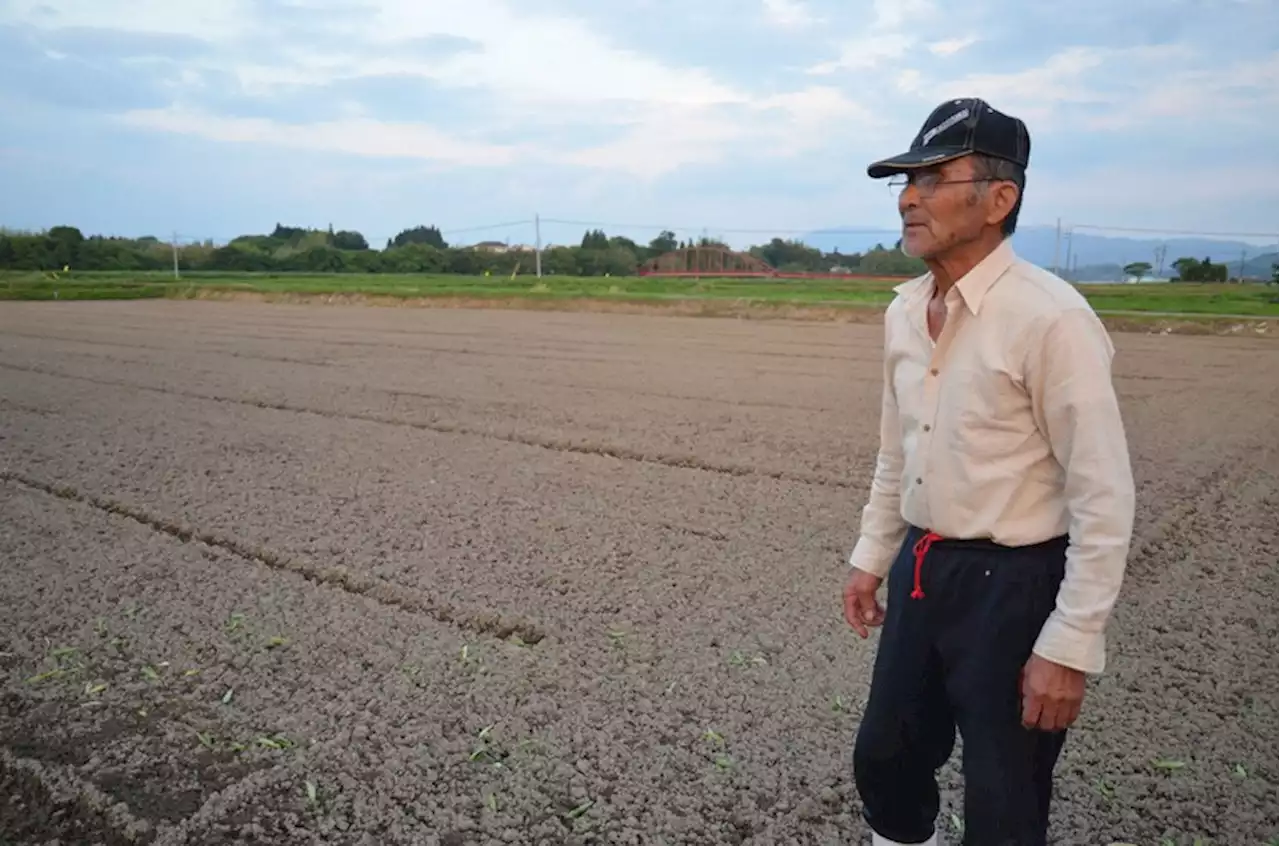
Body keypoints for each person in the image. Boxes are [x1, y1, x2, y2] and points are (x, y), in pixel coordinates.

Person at [842, 97, 1136, 846]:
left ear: (1000, 199)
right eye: (905, 181)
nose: (910, 197)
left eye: (936, 177)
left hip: (1018, 585)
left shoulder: (1051, 319)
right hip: (924, 568)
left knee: (1005, 805)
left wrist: (1069, 645)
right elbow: (896, 448)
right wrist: (872, 557)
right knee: (885, 759)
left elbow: (1103, 496)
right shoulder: (905, 311)